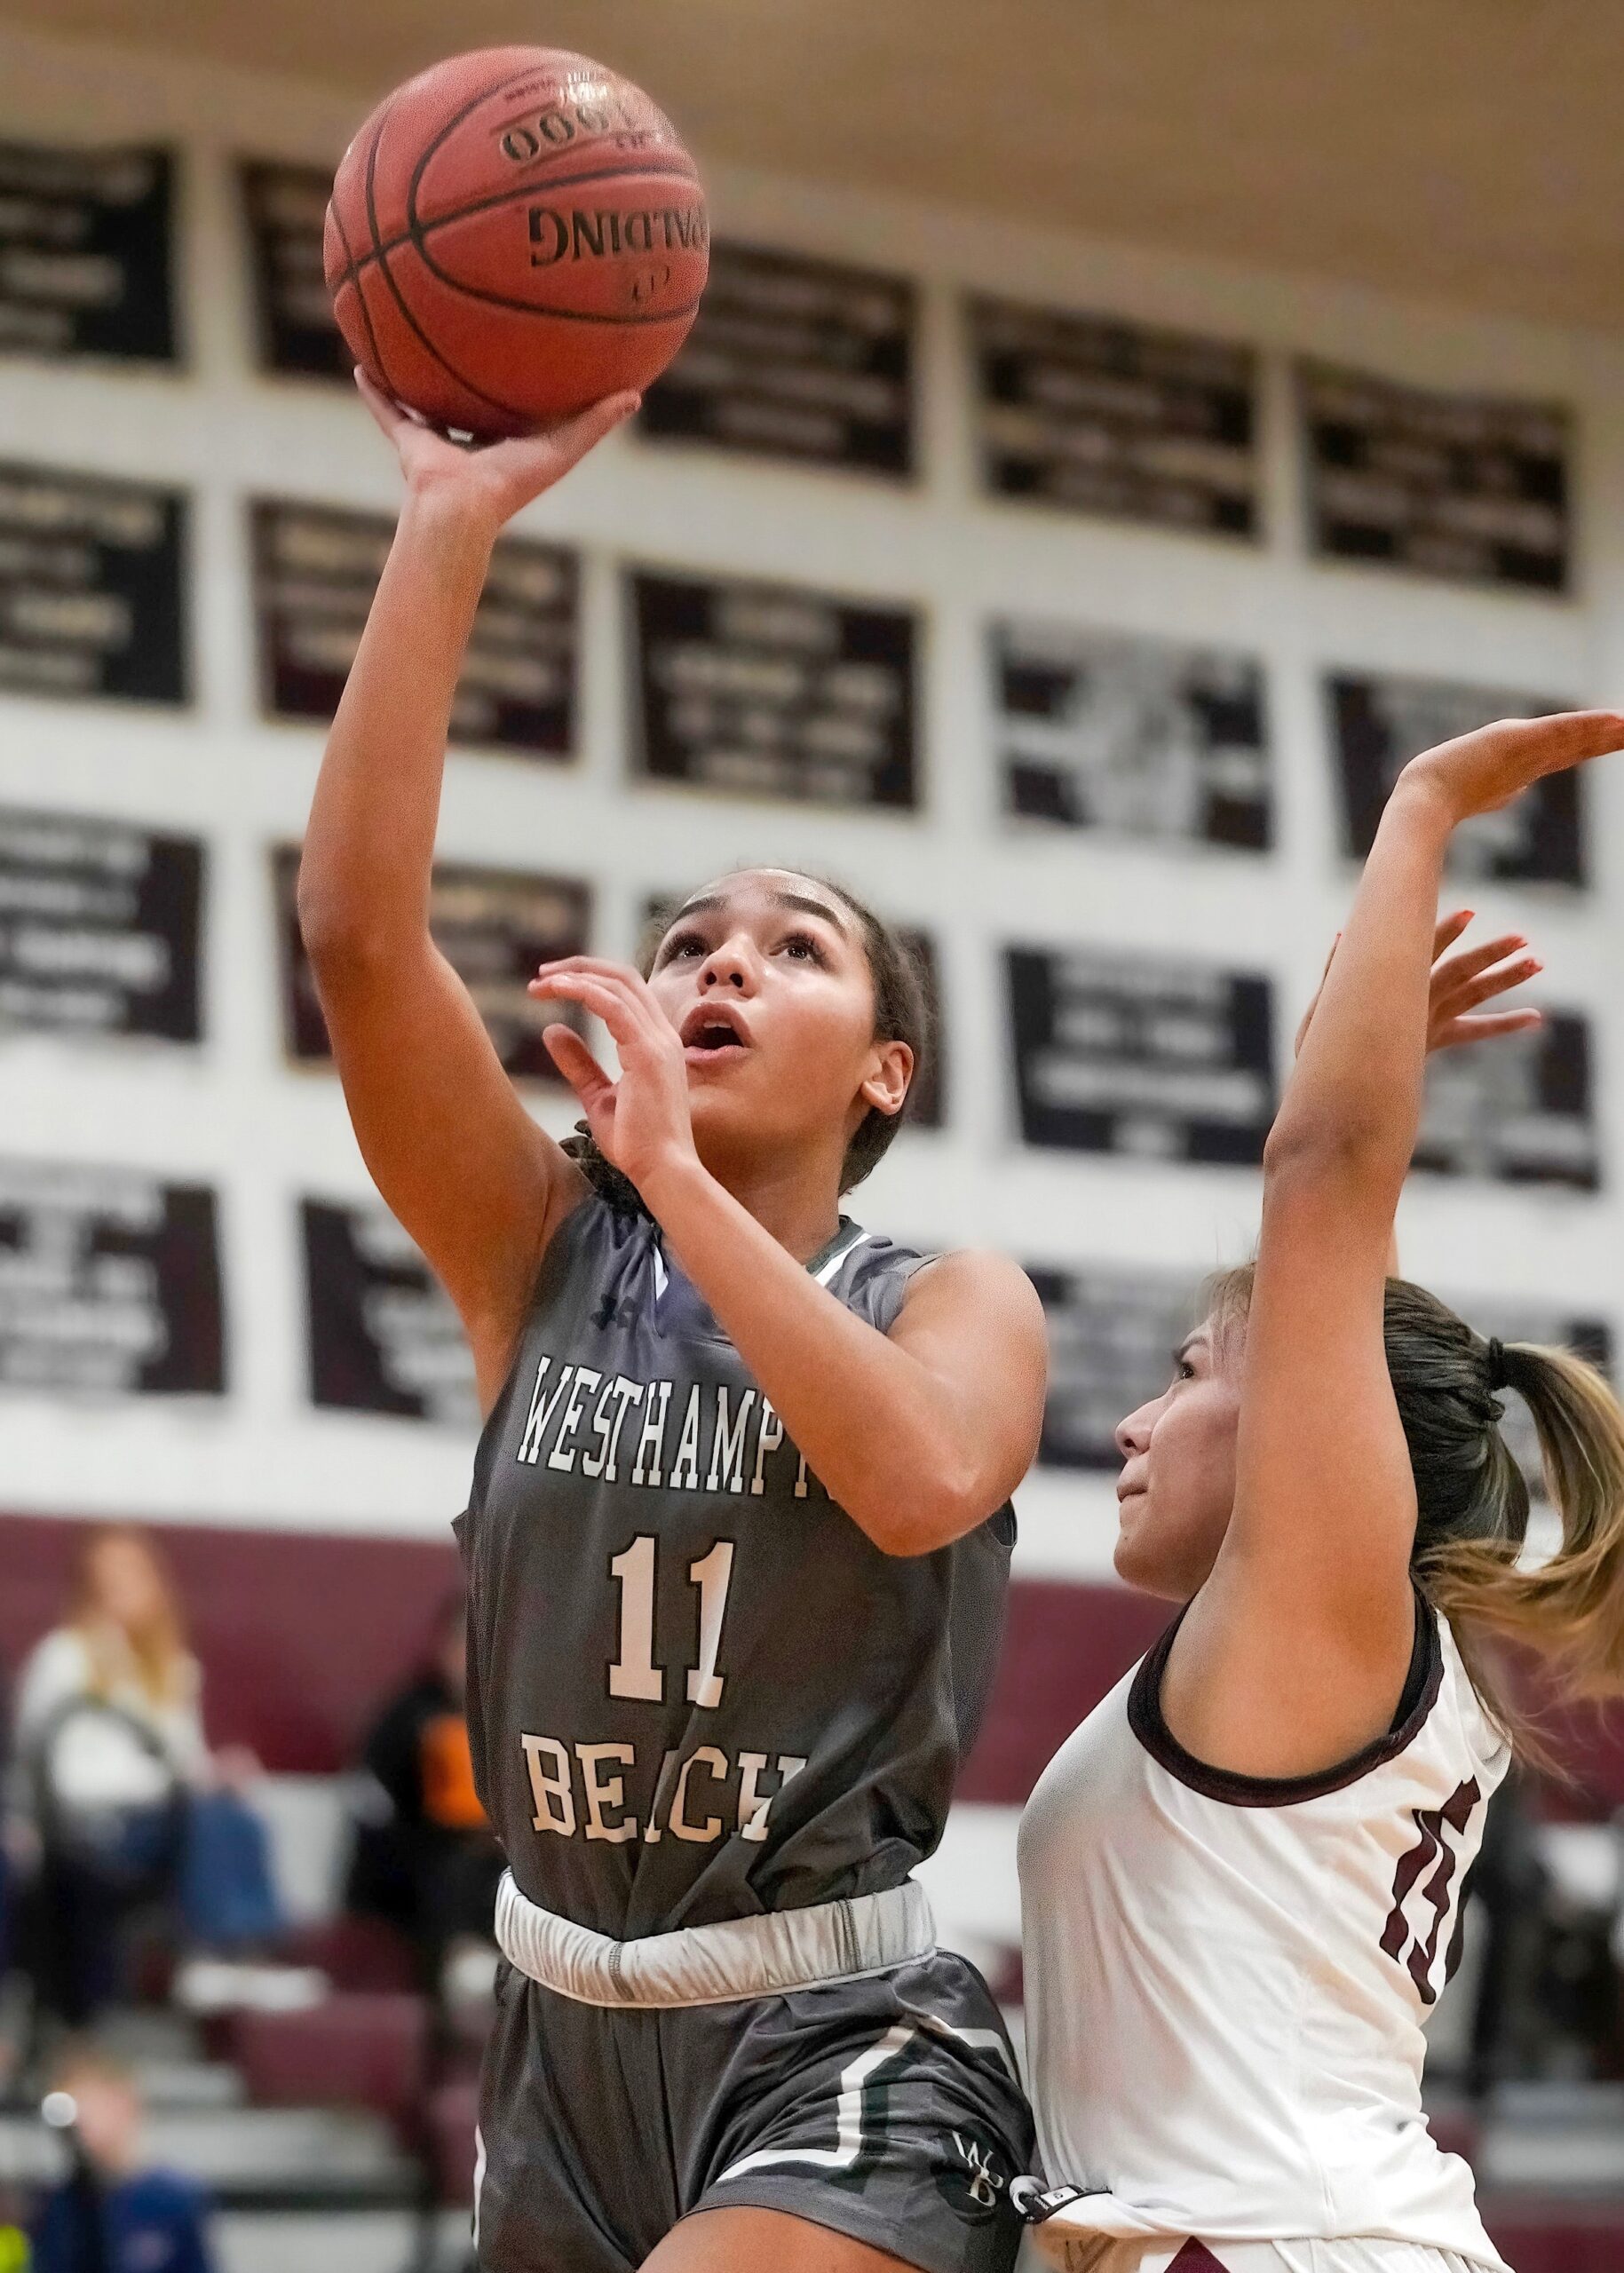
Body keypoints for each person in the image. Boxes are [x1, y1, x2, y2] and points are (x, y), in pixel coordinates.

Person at [295, 372, 1049, 2273]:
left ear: (882, 1074)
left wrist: (685, 1188)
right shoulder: (536, 1241)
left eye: (789, 944)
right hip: (557, 2030)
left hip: (837, 2033)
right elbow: (358, 939)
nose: (719, 955)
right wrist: (448, 522)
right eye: (690, 935)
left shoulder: (947, 1295)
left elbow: (912, 1481)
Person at [1018, 709, 1624, 2273]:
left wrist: (1419, 806)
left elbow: (1322, 1188)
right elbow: (1326, 1225)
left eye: (1182, 1372)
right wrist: (1339, 1061)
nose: (1132, 1425)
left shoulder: (1323, 1628)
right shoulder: (1329, 1641)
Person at [13, 1527, 273, 2022]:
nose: (120, 1592)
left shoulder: (174, 1668)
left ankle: (241, 1955)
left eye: (133, 1577)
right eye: (107, 1579)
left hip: (160, 1819)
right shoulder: (63, 1658)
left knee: (235, 1813)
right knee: (204, 1816)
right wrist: (170, 1786)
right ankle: (207, 1952)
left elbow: (183, 1761)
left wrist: (217, 1772)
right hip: (89, 1826)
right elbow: (59, 1776)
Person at [346, 1590, 503, 1976]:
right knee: (450, 1869)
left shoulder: (520, 1721)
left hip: (496, 1859)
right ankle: (457, 1957)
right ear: (444, 1647)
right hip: (421, 1863)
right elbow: (376, 1801)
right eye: (465, 1644)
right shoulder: (410, 1715)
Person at [31, 2039, 218, 2273]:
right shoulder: (58, 2204)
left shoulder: (174, 2198)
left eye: (91, 2105)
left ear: (125, 2103)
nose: (81, 2123)